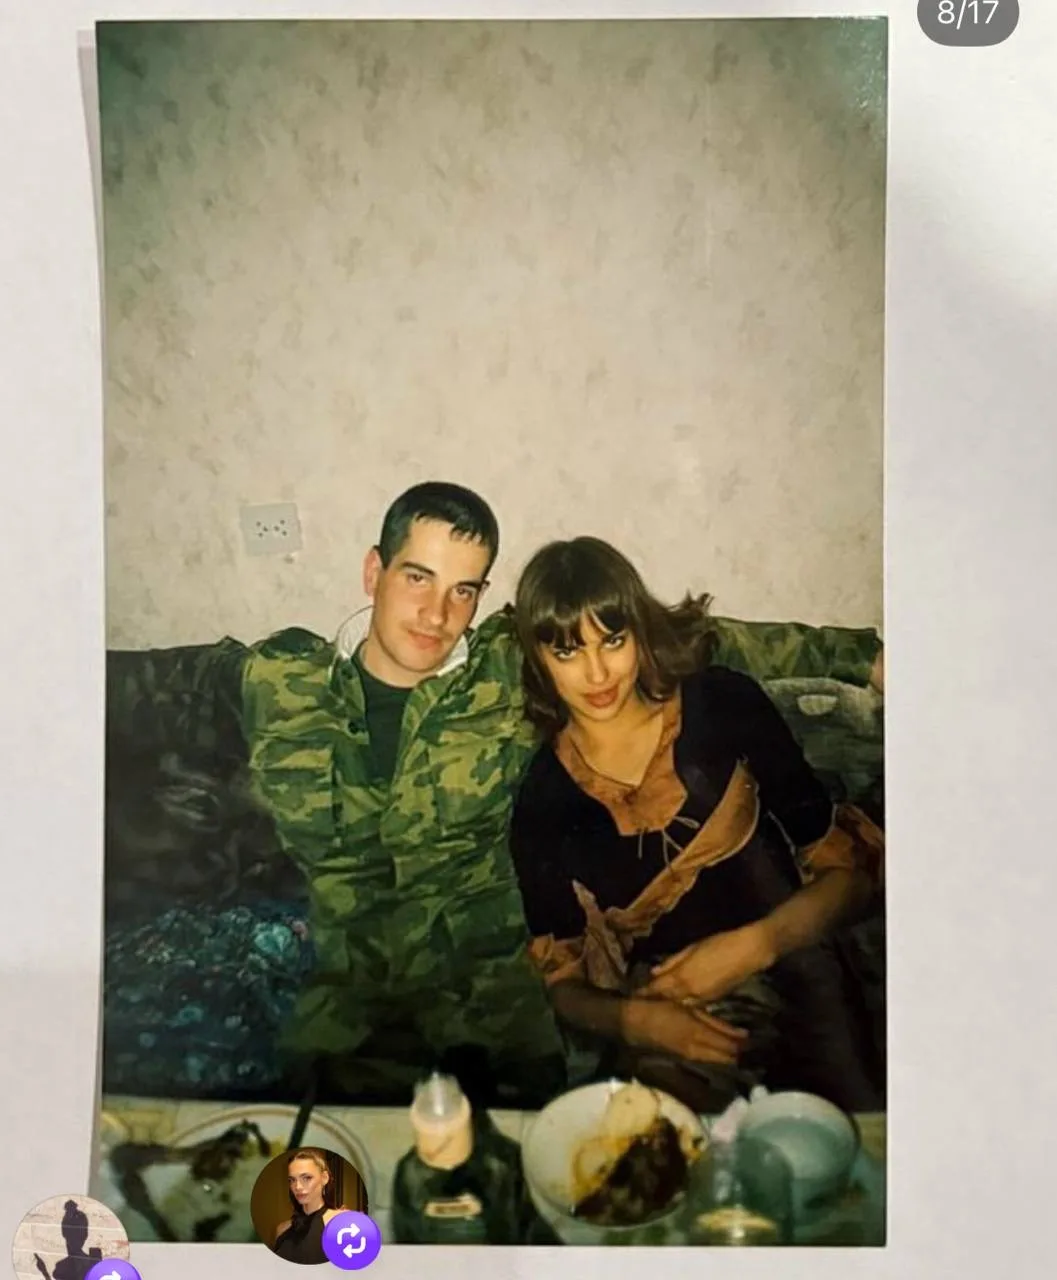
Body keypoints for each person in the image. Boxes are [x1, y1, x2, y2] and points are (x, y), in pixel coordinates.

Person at [106, 481, 884, 1105]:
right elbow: (125, 687)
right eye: (417, 578)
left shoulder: (508, 667)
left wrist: (863, 656)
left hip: (501, 1019)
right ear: (374, 572)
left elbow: (677, 637)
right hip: (347, 1017)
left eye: (464, 590)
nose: (436, 614)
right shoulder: (276, 680)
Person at [509, 536, 885, 1114]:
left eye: (613, 641)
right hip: (674, 1017)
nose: (597, 672)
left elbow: (850, 878)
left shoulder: (723, 703)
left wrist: (754, 947)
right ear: (539, 660)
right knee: (660, 1143)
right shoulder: (543, 796)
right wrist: (637, 1022)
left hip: (801, 966)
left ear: (640, 631)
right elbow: (563, 984)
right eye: (567, 652)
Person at [272, 1149, 347, 1264]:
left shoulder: (342, 1222)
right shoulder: (282, 1229)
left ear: (324, 1178)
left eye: (306, 1178)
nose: (297, 1186)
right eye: (292, 1180)